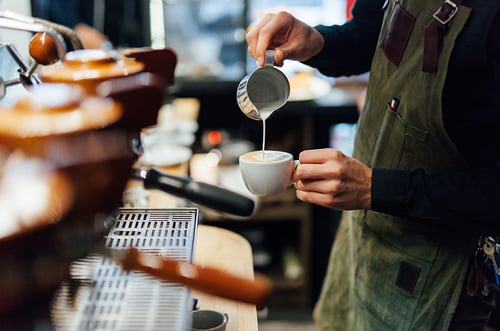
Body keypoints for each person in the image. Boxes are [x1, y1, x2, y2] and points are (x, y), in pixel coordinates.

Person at [246, 0, 499, 330]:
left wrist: (376, 187)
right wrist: (318, 42)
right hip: (364, 235)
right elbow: (370, 35)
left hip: (442, 277)